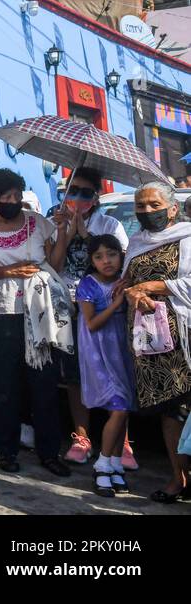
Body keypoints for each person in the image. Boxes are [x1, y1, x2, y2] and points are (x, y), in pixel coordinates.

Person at [0, 169, 73, 477]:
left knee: (43, 382)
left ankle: (49, 451)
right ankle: (5, 448)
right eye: (5, 197)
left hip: (40, 311)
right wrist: (8, 271)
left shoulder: (38, 223)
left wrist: (63, 233)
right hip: (0, 311)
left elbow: (55, 264)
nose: (12, 201)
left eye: (16, 195)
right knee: (4, 383)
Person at [119, 180, 191, 504]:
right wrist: (130, 289)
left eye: (154, 205)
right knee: (170, 412)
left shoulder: (187, 239)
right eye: (141, 206)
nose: (147, 211)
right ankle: (179, 479)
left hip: (184, 338)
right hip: (149, 343)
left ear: (173, 208)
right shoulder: (135, 242)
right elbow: (126, 283)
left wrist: (150, 285)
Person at [53, 166, 129, 467]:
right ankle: (81, 436)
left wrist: (85, 234)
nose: (79, 197)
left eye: (86, 192)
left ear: (96, 197)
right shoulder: (55, 217)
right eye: (74, 191)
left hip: (106, 307)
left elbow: (117, 263)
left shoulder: (109, 224)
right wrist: (65, 233)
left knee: (116, 370)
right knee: (75, 374)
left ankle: (121, 441)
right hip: (69, 305)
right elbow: (54, 264)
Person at [74, 234, 135, 497]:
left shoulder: (125, 281)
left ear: (121, 255)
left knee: (124, 408)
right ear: (91, 261)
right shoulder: (88, 284)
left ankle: (113, 464)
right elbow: (91, 324)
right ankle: (101, 464)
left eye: (111, 254)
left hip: (122, 351)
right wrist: (116, 303)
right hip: (99, 353)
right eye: (98, 257)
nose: (106, 261)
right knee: (119, 408)